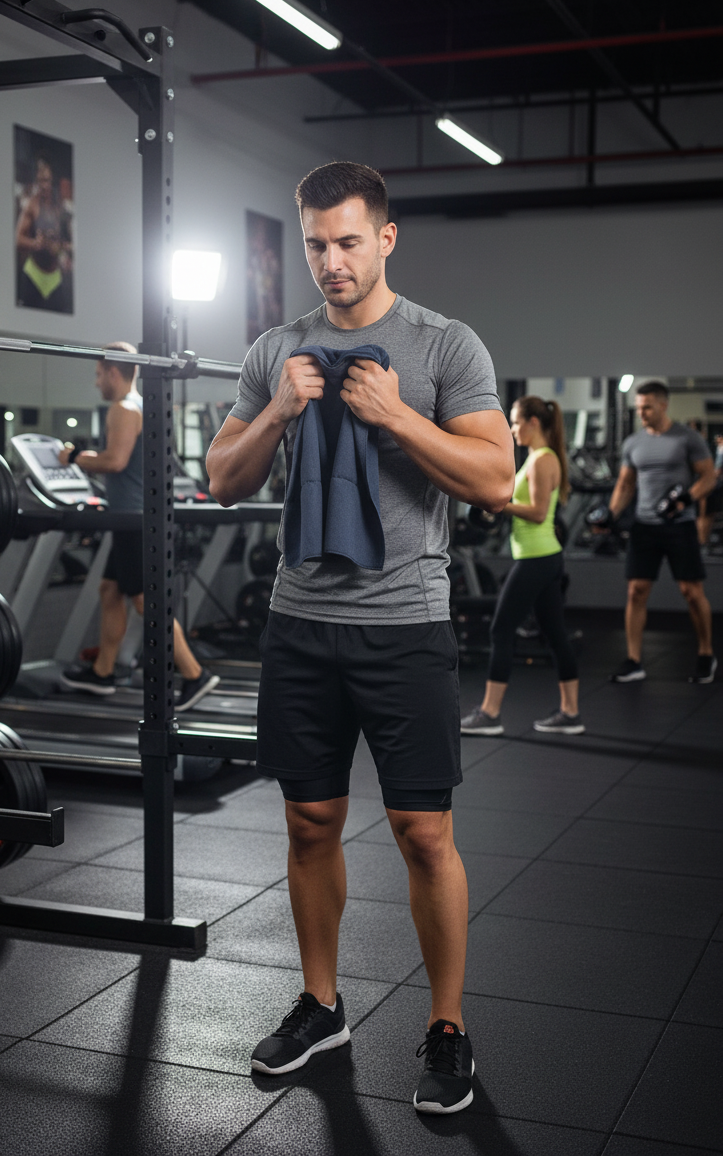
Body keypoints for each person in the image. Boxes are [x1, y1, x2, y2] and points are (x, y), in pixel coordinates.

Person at [205, 161, 513, 1114]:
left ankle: (448, 1026)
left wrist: (396, 416)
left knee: (425, 834)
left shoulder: (443, 346)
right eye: (314, 244)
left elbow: (496, 478)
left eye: (347, 241)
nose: (330, 262)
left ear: (386, 237)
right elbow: (222, 476)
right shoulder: (276, 350)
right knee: (309, 825)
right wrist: (281, 409)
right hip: (301, 626)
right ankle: (322, 1002)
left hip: (405, 627)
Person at [58, 343, 219, 709]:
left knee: (148, 601)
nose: (98, 382)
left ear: (114, 372)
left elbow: (115, 462)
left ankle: (195, 674)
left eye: (99, 374)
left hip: (133, 520)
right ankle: (103, 672)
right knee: (109, 590)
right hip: (133, 517)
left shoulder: (122, 409)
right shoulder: (143, 406)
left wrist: (73, 457)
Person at [460, 396, 583, 737]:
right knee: (555, 634)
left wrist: (499, 503)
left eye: (515, 422)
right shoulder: (537, 459)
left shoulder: (543, 460)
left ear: (533, 422)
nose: (512, 429)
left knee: (501, 629)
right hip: (542, 556)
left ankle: (490, 713)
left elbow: (540, 513)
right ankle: (571, 713)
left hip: (537, 558)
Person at [603, 381, 717, 684]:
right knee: (635, 591)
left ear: (663, 405)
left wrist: (685, 499)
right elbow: (626, 485)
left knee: (691, 593)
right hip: (644, 525)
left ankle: (706, 653)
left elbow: (709, 477)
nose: (641, 412)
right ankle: (634, 660)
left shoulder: (687, 438)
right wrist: (610, 515)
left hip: (679, 525)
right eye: (639, 406)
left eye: (647, 407)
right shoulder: (633, 443)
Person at [16, 153, 73, 313]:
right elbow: (18, 239)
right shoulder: (32, 205)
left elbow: (68, 242)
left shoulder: (60, 207)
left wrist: (62, 250)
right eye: (40, 181)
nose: (43, 185)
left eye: (47, 180)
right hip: (33, 275)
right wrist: (36, 243)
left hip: (54, 277)